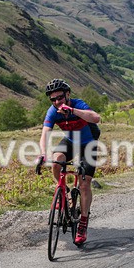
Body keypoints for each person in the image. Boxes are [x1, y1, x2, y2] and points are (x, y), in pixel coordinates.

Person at [35, 79, 101, 246]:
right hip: (70, 141)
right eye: (53, 99)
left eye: (60, 97)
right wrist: (42, 153)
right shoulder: (53, 111)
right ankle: (64, 191)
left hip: (88, 143)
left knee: (85, 184)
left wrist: (72, 110)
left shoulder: (78, 104)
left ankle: (83, 223)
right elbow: (45, 133)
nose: (57, 102)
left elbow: (96, 118)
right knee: (56, 161)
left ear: (68, 94)